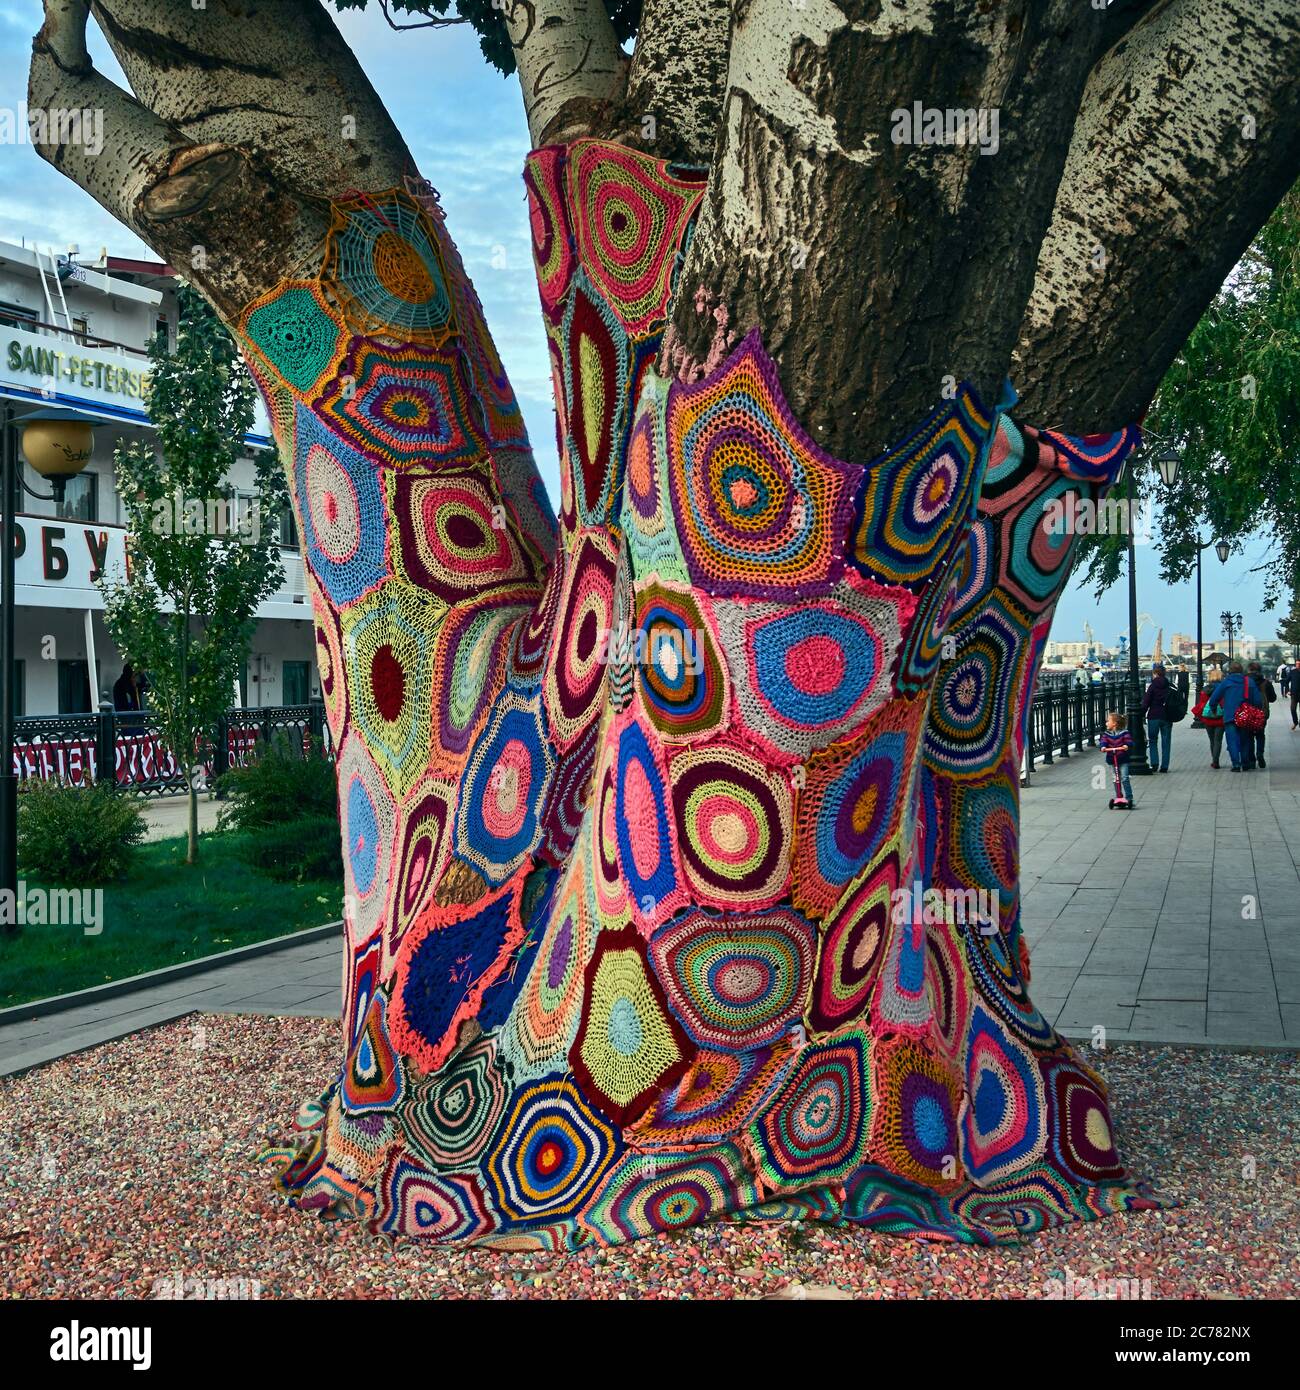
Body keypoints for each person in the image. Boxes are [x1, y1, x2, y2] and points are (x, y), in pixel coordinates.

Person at [1206, 660, 1265, 771]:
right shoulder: (1249, 682)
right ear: (1242, 670)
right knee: (1245, 740)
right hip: (1245, 716)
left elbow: (1214, 698)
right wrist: (1255, 710)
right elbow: (1258, 700)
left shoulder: (1226, 682)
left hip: (1230, 716)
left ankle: (1236, 764)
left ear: (1230, 671)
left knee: (1232, 741)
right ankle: (1245, 763)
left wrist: (1214, 708)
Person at [1141, 661, 1174, 772]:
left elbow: (1146, 702)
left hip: (1154, 716)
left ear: (1155, 674)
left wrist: (1141, 713)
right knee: (1166, 741)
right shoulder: (1169, 686)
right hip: (1168, 716)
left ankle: (1154, 763)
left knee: (1153, 740)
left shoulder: (1152, 686)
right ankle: (1164, 766)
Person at [1245, 660, 1278, 768]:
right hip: (1262, 712)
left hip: (1247, 711)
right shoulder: (1266, 683)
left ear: (1249, 670)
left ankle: (1251, 760)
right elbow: (1273, 698)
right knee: (1260, 735)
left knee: (1249, 736)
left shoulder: (1244, 682)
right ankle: (1260, 754)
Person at [1100, 711, 1134, 808]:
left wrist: (1126, 745)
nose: (1106, 723)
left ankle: (1129, 798)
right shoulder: (1106, 734)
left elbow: (1129, 741)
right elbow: (1103, 741)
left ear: (1114, 723)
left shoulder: (1124, 733)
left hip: (1123, 759)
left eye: (1108, 721)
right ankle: (1119, 796)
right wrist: (1103, 747)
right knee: (1115, 779)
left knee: (1124, 778)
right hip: (1112, 759)